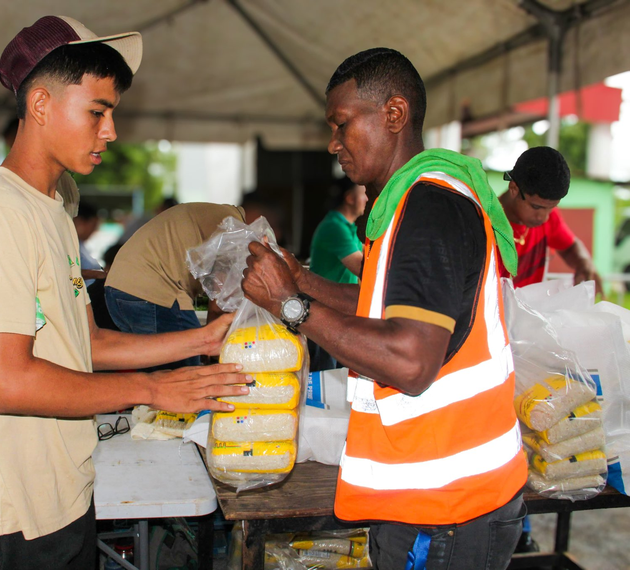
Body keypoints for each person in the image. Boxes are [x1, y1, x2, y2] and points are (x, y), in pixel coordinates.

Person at [0, 16, 249, 570]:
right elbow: (8, 384)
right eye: (97, 113)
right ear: (40, 105)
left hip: (65, 489)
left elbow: (87, 342)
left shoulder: (53, 208)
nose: (109, 132)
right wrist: (154, 390)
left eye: (112, 115)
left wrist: (202, 339)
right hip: (14, 510)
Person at [240, 48, 526, 570]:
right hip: (439, 498)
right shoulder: (406, 204)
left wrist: (290, 305)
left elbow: (410, 362)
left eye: (342, 124)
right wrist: (300, 278)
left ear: (394, 114)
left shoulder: (429, 208)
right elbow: (379, 307)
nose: (333, 144)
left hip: (447, 508)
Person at [104, 202, 245, 369]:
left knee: (162, 374)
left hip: (119, 287)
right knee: (185, 373)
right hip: (156, 291)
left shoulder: (215, 214)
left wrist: (207, 344)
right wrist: (209, 345)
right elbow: (220, 300)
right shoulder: (235, 227)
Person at [499, 146, 602, 292]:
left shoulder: (550, 218)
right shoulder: (486, 224)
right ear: (514, 188)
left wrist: (583, 262)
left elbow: (570, 247)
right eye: (536, 207)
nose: (544, 217)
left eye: (552, 207)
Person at [309, 177, 367, 285]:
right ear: (350, 198)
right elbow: (362, 269)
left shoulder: (348, 226)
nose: (367, 199)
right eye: (363, 194)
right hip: (326, 299)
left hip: (339, 298)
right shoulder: (334, 228)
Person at [74, 201, 106, 286]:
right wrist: (96, 274)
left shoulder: (81, 245)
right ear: (79, 221)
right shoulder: (67, 245)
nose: (94, 230)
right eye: (93, 225)